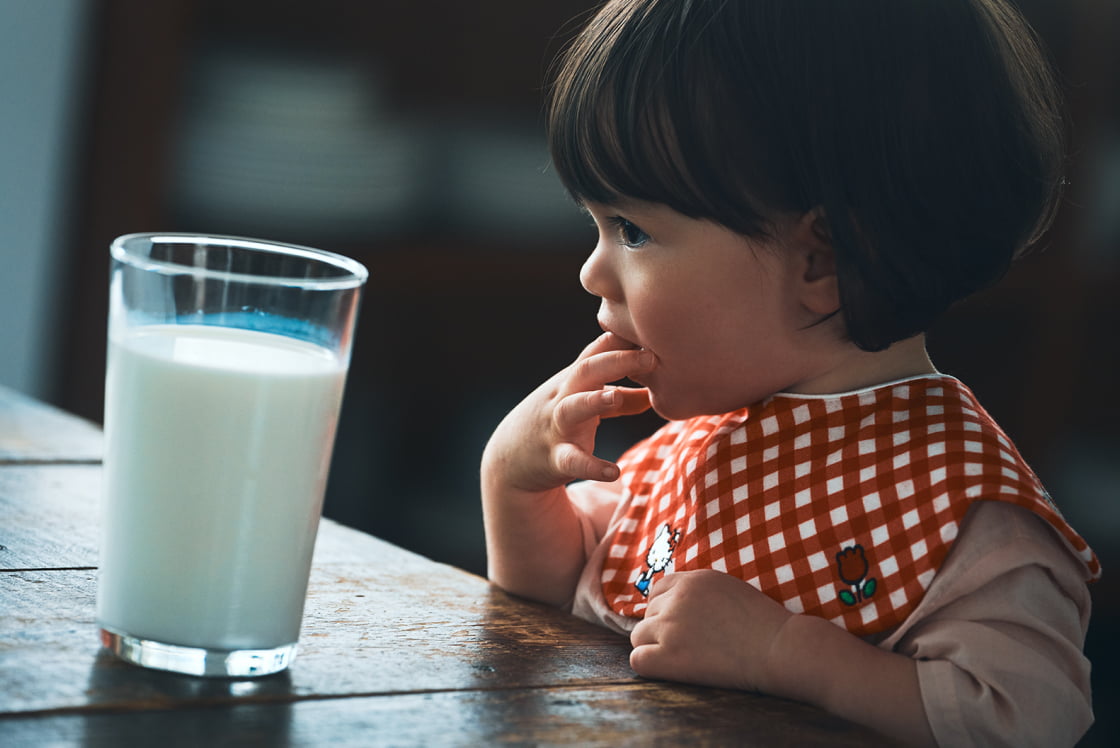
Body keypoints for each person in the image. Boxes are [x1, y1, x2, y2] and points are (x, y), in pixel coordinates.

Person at [480, 0, 1100, 744]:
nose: (591, 272)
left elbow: (1030, 720)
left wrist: (783, 653)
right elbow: (555, 603)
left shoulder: (960, 504)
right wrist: (513, 482)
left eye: (633, 230)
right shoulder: (708, 437)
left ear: (820, 262)